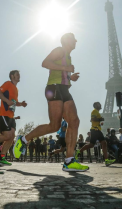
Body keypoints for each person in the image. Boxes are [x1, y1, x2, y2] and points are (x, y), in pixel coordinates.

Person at [13, 33, 89, 172]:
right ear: (66, 41)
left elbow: (60, 72)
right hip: (54, 88)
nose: (76, 41)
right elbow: (45, 63)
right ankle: (23, 139)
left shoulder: (68, 56)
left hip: (64, 89)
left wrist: (70, 77)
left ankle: (69, 160)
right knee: (54, 126)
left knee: (74, 121)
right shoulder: (59, 50)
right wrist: (66, 69)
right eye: (73, 39)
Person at [75, 102, 115, 166]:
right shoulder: (94, 111)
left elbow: (94, 120)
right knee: (100, 143)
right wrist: (100, 119)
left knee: (93, 144)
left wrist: (100, 122)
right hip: (95, 130)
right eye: (99, 104)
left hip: (97, 129)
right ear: (96, 105)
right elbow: (92, 119)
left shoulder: (97, 112)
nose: (100, 104)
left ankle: (79, 151)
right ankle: (106, 160)